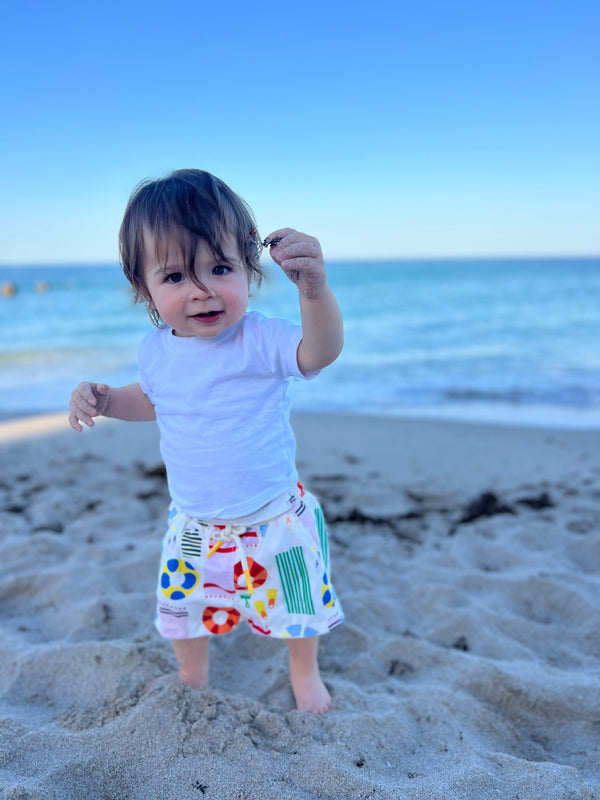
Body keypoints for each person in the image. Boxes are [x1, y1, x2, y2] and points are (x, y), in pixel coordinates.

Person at [69, 169, 344, 715]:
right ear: (142, 287)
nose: (201, 290)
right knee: (182, 606)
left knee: (298, 603)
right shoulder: (157, 351)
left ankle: (304, 674)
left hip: (272, 518)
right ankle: (191, 673)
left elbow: (319, 353)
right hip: (195, 521)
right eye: (174, 277)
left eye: (220, 268)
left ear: (249, 268)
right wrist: (104, 400)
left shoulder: (259, 339)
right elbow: (151, 401)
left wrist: (315, 292)